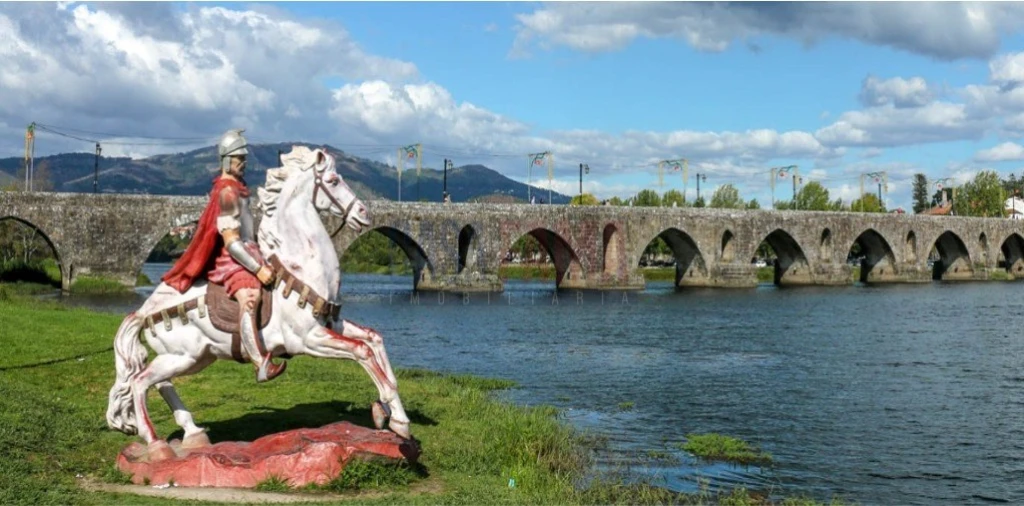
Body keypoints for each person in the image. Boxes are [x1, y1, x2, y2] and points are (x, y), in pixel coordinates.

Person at [161, 128, 286, 383]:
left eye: (245, 158)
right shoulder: (227, 192)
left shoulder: (240, 189)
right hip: (233, 259)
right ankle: (260, 362)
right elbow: (231, 242)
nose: (244, 163)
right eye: (239, 158)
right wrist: (257, 268)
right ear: (227, 160)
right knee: (249, 296)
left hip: (251, 250)